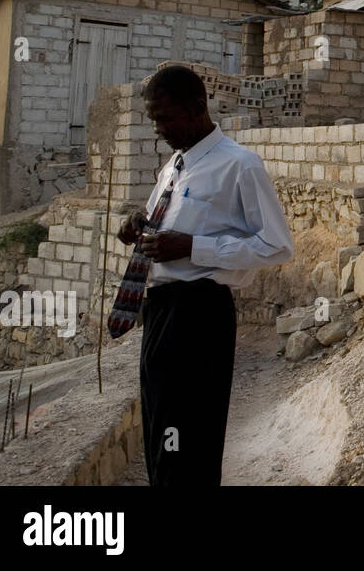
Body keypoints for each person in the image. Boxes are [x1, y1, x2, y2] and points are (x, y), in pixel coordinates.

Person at [114, 64, 293, 486]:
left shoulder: (240, 165)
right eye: (154, 118)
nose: (159, 128)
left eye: (166, 117)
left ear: (198, 108)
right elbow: (169, 225)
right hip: (159, 313)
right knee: (162, 430)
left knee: (188, 437)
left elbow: (277, 244)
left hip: (198, 315)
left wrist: (193, 247)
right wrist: (139, 225)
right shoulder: (175, 166)